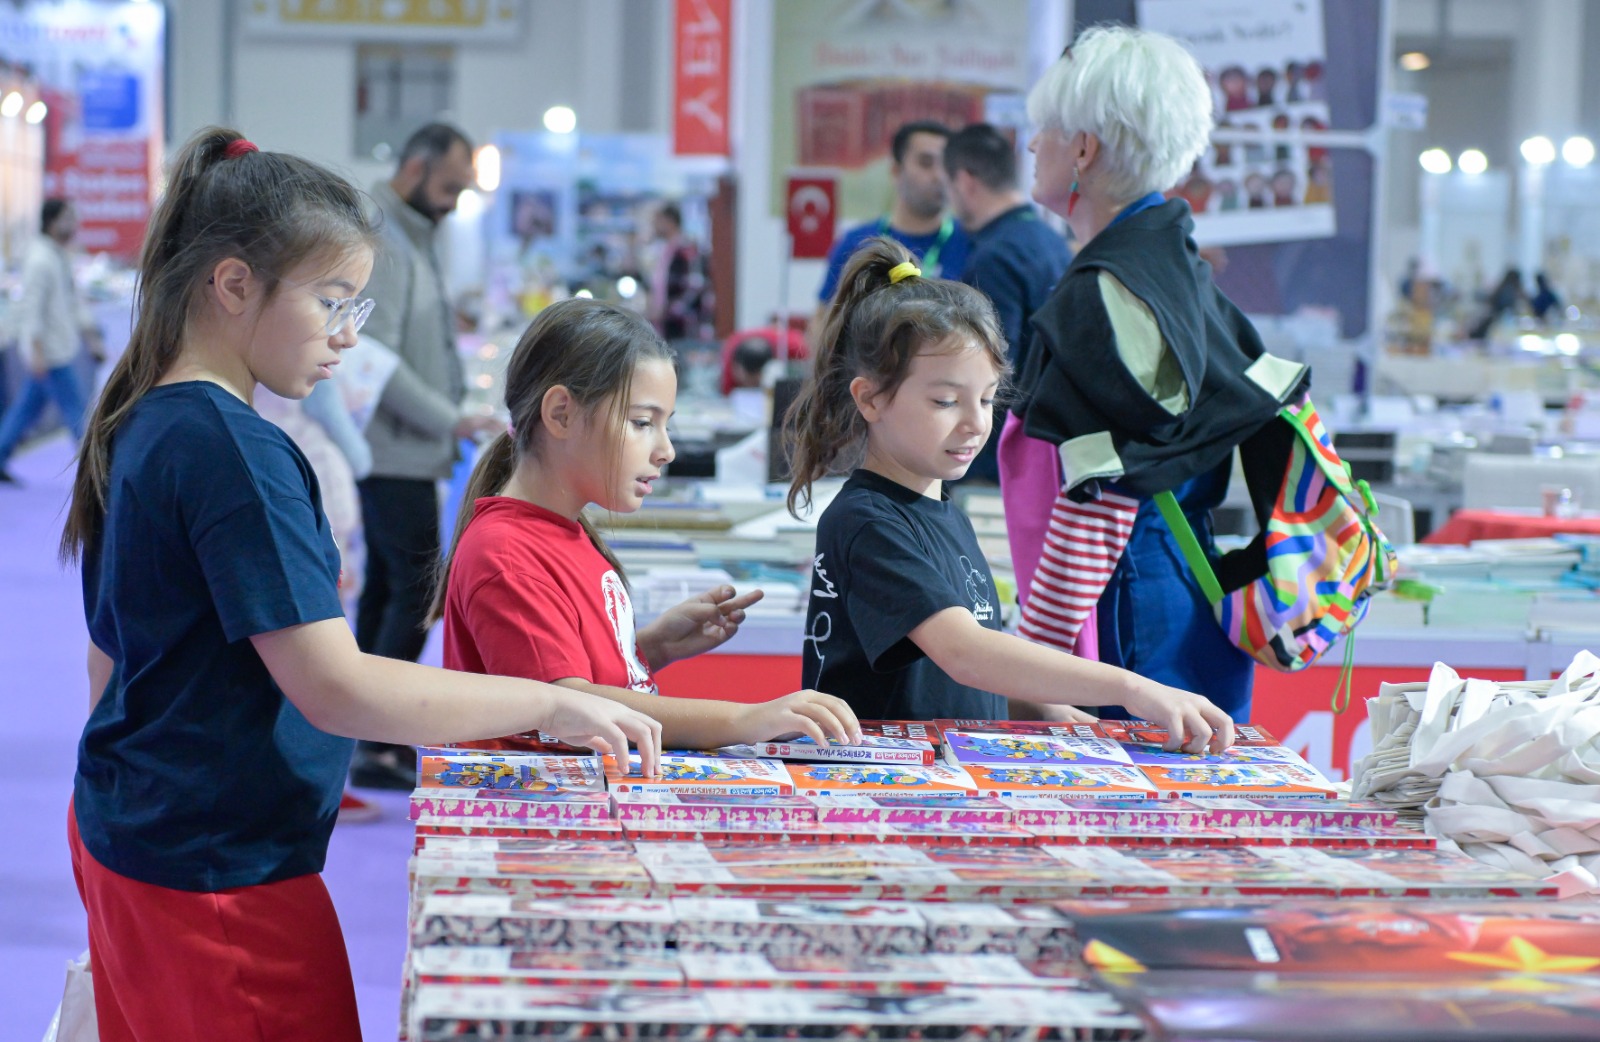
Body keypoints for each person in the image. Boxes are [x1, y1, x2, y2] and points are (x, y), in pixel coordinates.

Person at [60, 127, 661, 1041]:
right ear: (234, 285)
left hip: (135, 825)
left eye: (358, 305)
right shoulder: (235, 454)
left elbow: (107, 658)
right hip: (214, 870)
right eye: (331, 301)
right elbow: (336, 687)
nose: (349, 335)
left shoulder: (145, 417)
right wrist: (552, 701)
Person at [782, 237, 1234, 751]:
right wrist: (1132, 688)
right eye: (945, 401)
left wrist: (1040, 708)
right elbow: (964, 652)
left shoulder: (942, 511)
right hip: (888, 784)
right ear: (869, 399)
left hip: (948, 774)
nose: (977, 423)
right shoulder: (866, 521)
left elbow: (945, 676)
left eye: (987, 399)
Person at [1012, 25, 1311, 722]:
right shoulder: (1172, 263)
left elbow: (1102, 496)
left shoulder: (1101, 294)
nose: (1031, 145)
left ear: (1083, 148)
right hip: (1186, 584)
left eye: (1044, 130)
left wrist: (1031, 668)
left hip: (1125, 607)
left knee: (1133, 786)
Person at [432, 298, 861, 750]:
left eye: (665, 425)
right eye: (642, 423)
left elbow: (563, 674)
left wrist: (652, 647)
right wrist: (745, 719)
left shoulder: (558, 531)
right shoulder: (506, 554)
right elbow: (568, 706)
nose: (666, 450)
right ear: (560, 414)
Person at [353, 122, 501, 790]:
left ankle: (365, 738)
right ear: (414, 169)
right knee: (414, 592)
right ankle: (375, 740)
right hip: (394, 453)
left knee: (391, 590)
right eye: (448, 186)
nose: (453, 201)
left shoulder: (415, 234)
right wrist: (450, 417)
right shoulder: (385, 239)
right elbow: (374, 357)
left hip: (407, 452)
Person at [943, 122, 1071, 486]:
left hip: (999, 465)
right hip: (1050, 449)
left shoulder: (994, 258)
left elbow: (989, 371)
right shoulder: (1052, 243)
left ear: (965, 182)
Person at [815, 121, 971, 309]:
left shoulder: (971, 243)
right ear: (896, 171)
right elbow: (823, 318)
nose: (939, 176)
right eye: (926, 163)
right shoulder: (857, 243)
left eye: (946, 165)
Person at [0, 199, 102, 485]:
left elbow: (73, 303)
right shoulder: (40, 261)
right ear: (51, 222)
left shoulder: (58, 256)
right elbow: (31, 309)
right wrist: (35, 351)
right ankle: (93, 472)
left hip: (56, 349)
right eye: (67, 218)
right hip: (49, 353)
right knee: (76, 412)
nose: (74, 225)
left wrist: (91, 336)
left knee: (26, 409)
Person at [647, 201, 710, 342]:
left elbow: (695, 286)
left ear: (669, 221)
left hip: (684, 329)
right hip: (667, 328)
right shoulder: (665, 250)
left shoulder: (686, 248)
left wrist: (667, 311)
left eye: (657, 220)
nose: (654, 225)